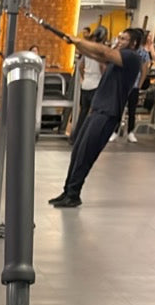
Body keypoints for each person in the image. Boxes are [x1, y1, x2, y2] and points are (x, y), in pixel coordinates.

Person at [49, 27, 143, 208]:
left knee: (86, 154)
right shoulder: (118, 59)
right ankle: (67, 191)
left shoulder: (131, 57)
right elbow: (95, 55)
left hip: (108, 113)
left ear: (133, 44)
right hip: (98, 109)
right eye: (119, 37)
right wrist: (76, 44)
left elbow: (103, 52)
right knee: (78, 151)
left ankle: (73, 194)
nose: (119, 41)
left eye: (124, 39)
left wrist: (78, 40)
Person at [70, 27, 103, 147]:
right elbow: (102, 68)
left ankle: (75, 138)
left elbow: (80, 67)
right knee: (94, 114)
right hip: (96, 84)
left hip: (86, 84)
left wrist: (84, 77)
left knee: (83, 113)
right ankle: (88, 139)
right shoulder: (101, 52)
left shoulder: (87, 52)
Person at [125, 30, 150, 143]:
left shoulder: (143, 53)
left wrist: (139, 85)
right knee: (119, 109)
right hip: (123, 84)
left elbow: (144, 70)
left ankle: (130, 132)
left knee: (132, 110)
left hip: (134, 85)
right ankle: (114, 131)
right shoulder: (126, 51)